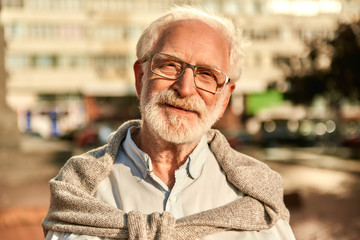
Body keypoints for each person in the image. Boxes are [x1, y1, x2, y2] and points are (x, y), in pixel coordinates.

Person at [43, 6, 296, 240]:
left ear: (225, 98)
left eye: (207, 75)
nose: (185, 89)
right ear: (140, 77)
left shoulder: (259, 198)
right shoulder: (80, 189)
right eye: (170, 65)